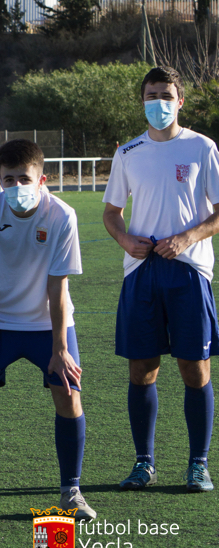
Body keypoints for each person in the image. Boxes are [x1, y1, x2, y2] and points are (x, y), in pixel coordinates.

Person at [0, 139, 95, 521]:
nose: (16, 187)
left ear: (42, 179)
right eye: (8, 179)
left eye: (24, 178)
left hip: (48, 325)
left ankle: (71, 492)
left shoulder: (62, 215)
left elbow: (57, 288)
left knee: (69, 395)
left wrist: (60, 349)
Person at [103, 66, 219, 493]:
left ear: (180, 101)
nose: (159, 103)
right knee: (141, 369)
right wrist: (124, 239)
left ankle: (198, 464)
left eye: (166, 95)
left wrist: (189, 236)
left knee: (195, 368)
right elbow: (111, 213)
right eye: (151, 95)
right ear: (143, 101)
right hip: (142, 272)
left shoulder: (202, 148)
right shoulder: (128, 153)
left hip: (189, 273)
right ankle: (143, 463)